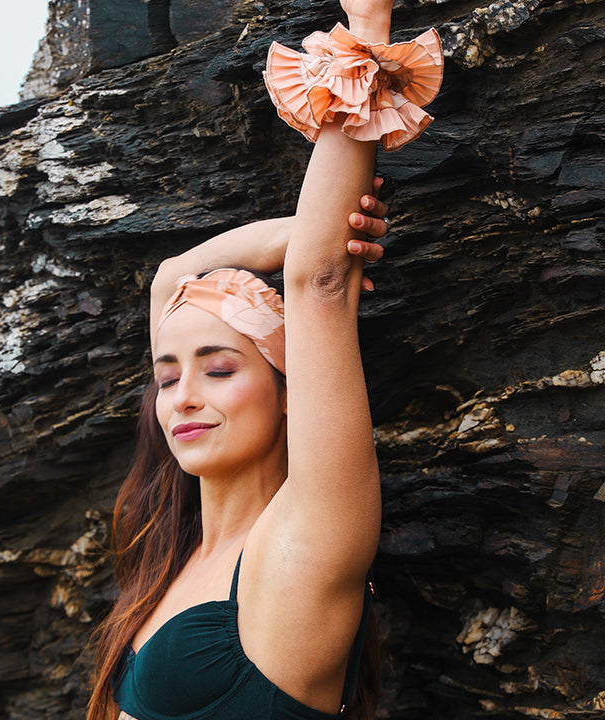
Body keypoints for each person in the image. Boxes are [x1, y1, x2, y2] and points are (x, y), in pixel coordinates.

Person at [87, 0, 443, 718]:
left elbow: (317, 285)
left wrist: (368, 24)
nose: (182, 396)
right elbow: (170, 278)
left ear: (289, 391)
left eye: (219, 369)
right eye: (166, 377)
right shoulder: (174, 554)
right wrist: (304, 229)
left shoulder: (307, 537)